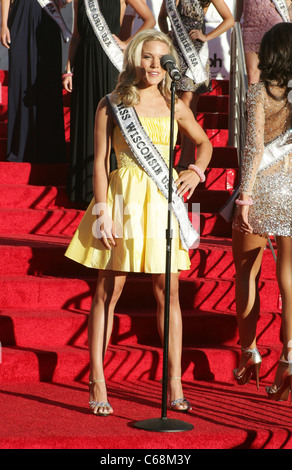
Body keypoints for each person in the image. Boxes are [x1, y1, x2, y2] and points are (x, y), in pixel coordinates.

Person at [65, 29, 213, 415]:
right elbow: (99, 163)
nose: (153, 66)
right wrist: (102, 211)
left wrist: (196, 170)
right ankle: (97, 379)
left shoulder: (175, 104)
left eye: (160, 59)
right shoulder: (111, 103)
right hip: (122, 202)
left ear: (169, 64)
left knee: (169, 294)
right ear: (134, 58)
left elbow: (206, 143)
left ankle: (174, 381)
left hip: (162, 205)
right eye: (147, 57)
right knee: (107, 293)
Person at [232, 23, 292, 401]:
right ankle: (290, 355)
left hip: (263, 190)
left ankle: (249, 351)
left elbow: (254, 147)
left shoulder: (258, 93)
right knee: (289, 275)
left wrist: (245, 199)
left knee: (246, 274)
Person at [63, 0, 155, 206]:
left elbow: (150, 19)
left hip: (109, 65)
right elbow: (77, 36)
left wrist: (126, 43)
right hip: (85, 64)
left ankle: (111, 190)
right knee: (86, 120)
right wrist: (69, 70)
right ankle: (83, 191)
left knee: (110, 126)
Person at [158, 0, 234, 170]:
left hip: (195, 56)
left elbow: (229, 19)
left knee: (187, 108)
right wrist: (167, 34)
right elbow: (161, 18)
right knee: (171, 107)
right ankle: (167, 158)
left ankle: (185, 162)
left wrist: (206, 36)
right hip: (175, 53)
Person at [0, 0, 71, 163]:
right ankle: (20, 147)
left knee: (47, 78)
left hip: (47, 16)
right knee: (21, 75)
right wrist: (4, 23)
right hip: (21, 14)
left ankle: (49, 148)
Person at [238, 0, 292, 86]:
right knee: (252, 75)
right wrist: (236, 20)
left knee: (277, 69)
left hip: (273, 20)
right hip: (250, 24)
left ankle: (276, 98)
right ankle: (255, 99)